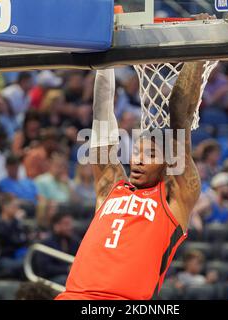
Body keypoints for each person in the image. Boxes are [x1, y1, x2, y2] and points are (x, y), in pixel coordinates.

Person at [56, 63, 205, 300]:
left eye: (151, 155)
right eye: (137, 152)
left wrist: (198, 55)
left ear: (169, 164)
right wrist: (105, 64)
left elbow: (179, 117)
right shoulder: (112, 188)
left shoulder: (173, 198)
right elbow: (101, 114)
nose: (139, 161)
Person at [0, 193, 29, 279]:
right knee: (24, 264)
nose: (17, 209)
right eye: (14, 206)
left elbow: (23, 240)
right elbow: (8, 240)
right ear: (5, 207)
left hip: (16, 256)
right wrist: (16, 220)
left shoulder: (16, 223)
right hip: (2, 257)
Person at [34, 213, 80, 282]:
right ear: (56, 226)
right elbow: (45, 269)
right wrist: (66, 269)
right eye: (66, 224)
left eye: (70, 224)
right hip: (50, 279)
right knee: (67, 280)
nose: (70, 227)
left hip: (68, 275)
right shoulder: (46, 243)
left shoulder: (74, 241)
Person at [35, 154, 73, 227]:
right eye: (58, 166)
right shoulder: (41, 180)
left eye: (63, 166)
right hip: (50, 212)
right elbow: (41, 200)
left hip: (66, 213)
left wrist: (68, 186)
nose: (60, 169)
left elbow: (75, 202)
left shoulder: (67, 181)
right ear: (50, 165)